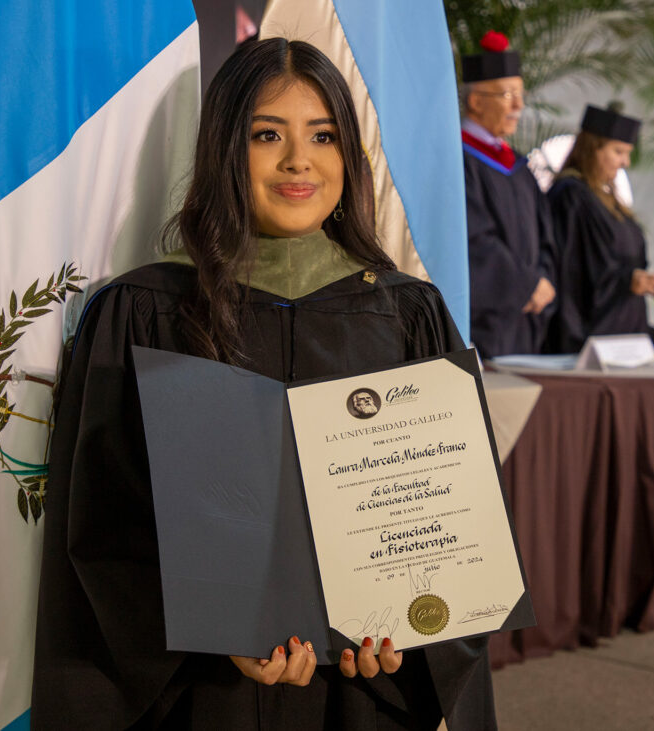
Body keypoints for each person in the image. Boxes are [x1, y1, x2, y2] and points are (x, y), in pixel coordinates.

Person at [32, 38, 496, 730]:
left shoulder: (408, 315)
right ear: (225, 149)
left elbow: (454, 522)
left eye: (323, 136)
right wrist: (215, 628)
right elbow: (99, 527)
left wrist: (409, 637)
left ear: (350, 156)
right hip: (201, 692)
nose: (298, 160)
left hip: (358, 695)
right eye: (267, 135)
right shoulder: (143, 310)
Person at [547, 104, 654, 353]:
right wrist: (626, 281)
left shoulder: (610, 202)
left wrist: (648, 282)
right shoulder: (570, 197)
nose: (625, 162)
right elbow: (571, 274)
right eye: (618, 152)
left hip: (626, 331)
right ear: (592, 149)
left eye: (628, 153)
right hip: (590, 337)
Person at [460, 31, 557, 357]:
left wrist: (542, 282)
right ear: (476, 101)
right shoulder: (458, 160)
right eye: (507, 95)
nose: (519, 105)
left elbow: (546, 235)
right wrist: (524, 285)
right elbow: (473, 239)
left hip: (527, 320)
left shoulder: (518, 166)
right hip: (484, 325)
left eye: (520, 94)